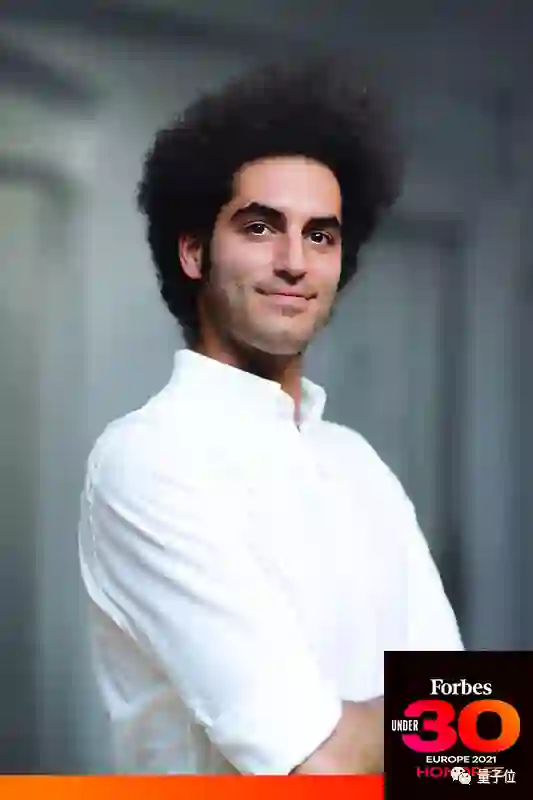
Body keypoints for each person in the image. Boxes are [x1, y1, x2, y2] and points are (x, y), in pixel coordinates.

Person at [77, 57, 463, 776]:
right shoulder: (148, 460)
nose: (294, 261)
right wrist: (458, 724)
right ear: (194, 252)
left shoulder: (356, 462)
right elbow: (313, 760)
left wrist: (461, 726)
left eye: (320, 236)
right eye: (260, 228)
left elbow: (465, 743)